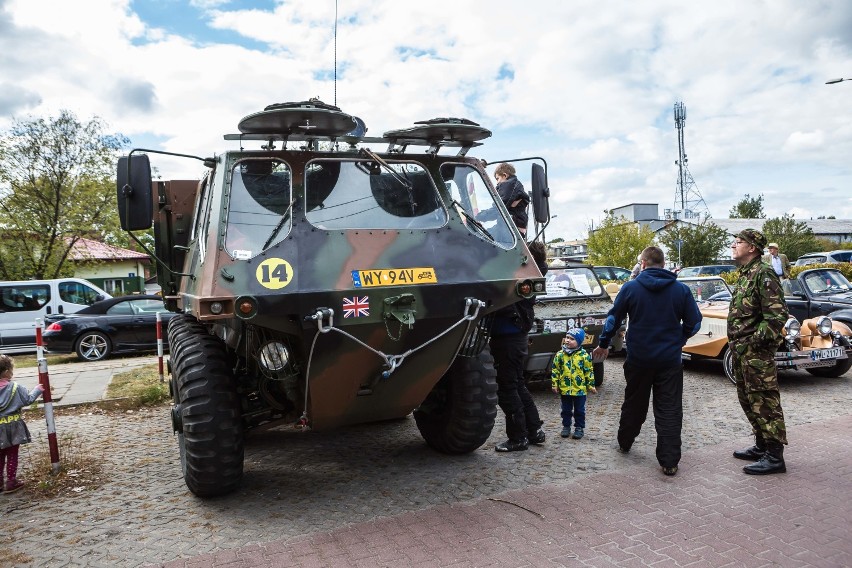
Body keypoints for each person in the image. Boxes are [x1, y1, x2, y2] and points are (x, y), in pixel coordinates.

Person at [592, 246, 702, 476]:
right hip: (669, 360)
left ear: (642, 264)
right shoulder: (680, 290)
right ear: (664, 264)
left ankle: (625, 442)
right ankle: (669, 461)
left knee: (634, 402)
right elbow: (694, 322)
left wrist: (603, 343)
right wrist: (680, 339)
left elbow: (613, 319)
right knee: (669, 408)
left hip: (639, 358)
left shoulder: (630, 288)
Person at [728, 229, 789, 475]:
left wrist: (752, 343)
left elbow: (776, 316)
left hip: (756, 354)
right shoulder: (745, 273)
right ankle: (762, 445)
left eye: (739, 242)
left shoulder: (763, 274)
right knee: (748, 399)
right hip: (742, 353)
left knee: (765, 402)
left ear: (752, 247)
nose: (734, 245)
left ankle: (775, 457)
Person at [490, 240, 547, 452]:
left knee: (508, 388)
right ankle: (533, 431)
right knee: (517, 384)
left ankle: (518, 437)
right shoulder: (531, 275)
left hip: (508, 338)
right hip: (515, 336)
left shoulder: (521, 277)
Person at [0, 354, 45, 493]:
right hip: (14, 426)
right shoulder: (15, 387)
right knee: (12, 453)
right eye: (11, 370)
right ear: (7, 371)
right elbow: (28, 400)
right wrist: (38, 389)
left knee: (0, 455)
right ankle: (11, 481)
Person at [551, 328, 596, 439]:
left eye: (572, 339)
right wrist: (554, 384)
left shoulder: (584, 355)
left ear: (579, 342)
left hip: (580, 390)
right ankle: (566, 426)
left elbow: (588, 371)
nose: (568, 340)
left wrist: (591, 385)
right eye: (567, 337)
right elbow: (555, 370)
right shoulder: (560, 355)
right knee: (566, 410)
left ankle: (579, 428)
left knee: (579, 410)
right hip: (565, 389)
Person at [493, 163, 530, 236]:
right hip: (513, 227)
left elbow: (499, 208)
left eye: (498, 179)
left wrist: (478, 217)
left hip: (511, 229)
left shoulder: (509, 184)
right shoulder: (516, 185)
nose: (497, 183)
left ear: (505, 175)